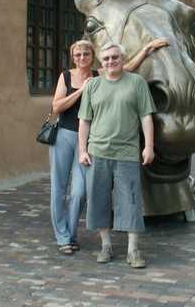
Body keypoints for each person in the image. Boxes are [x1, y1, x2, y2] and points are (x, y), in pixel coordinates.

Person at [49, 39, 166, 255]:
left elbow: (125, 68)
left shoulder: (98, 74)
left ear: (92, 56)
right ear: (72, 57)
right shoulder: (67, 76)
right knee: (58, 188)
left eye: (85, 54)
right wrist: (80, 91)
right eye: (77, 54)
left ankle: (72, 233)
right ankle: (63, 237)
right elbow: (56, 107)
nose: (81, 57)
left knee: (80, 191)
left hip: (90, 140)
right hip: (66, 134)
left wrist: (147, 50)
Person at [78, 42, 156, 268]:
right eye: (106, 59)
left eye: (115, 57)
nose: (111, 61)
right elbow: (84, 121)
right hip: (97, 152)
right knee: (98, 199)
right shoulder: (92, 86)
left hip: (127, 152)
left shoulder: (136, 83)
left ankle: (133, 250)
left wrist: (148, 146)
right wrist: (82, 150)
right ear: (100, 62)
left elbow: (146, 117)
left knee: (130, 200)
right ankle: (106, 245)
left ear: (122, 59)